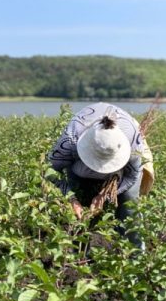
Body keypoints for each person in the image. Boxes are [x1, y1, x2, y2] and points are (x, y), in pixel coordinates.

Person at [48, 102, 154, 248]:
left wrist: (105, 195)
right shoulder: (71, 139)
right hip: (78, 169)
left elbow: (132, 176)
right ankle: (79, 253)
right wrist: (70, 198)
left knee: (129, 205)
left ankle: (135, 255)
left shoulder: (132, 143)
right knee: (79, 210)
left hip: (120, 172)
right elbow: (50, 171)